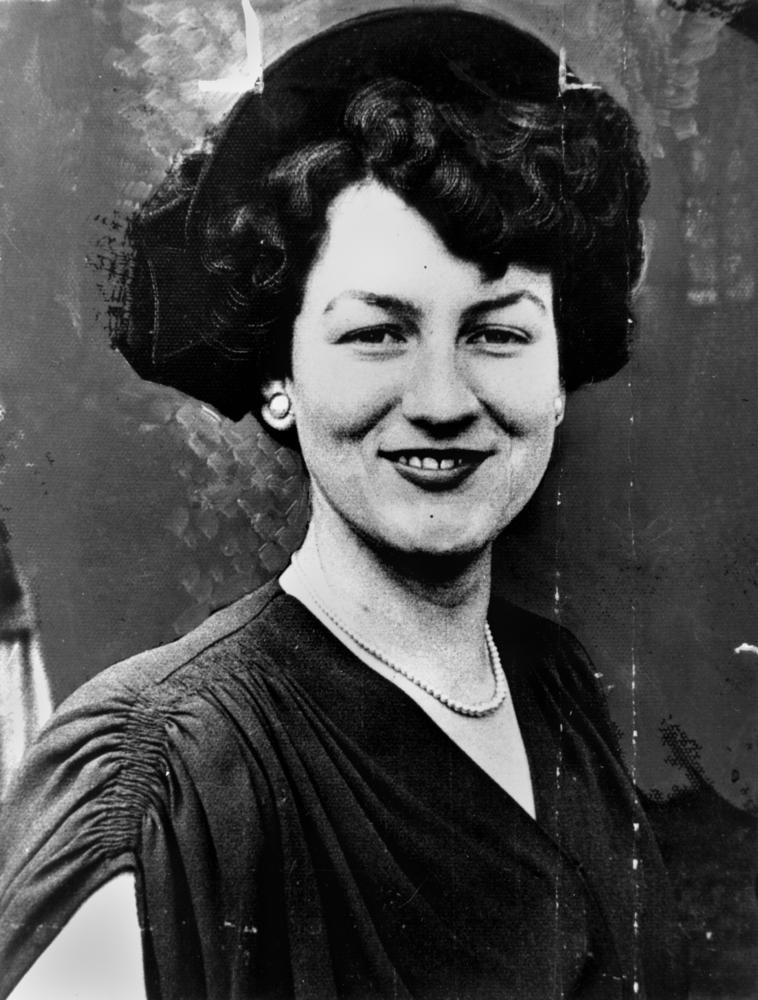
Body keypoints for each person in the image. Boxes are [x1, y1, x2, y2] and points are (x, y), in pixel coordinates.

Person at [0, 8, 687, 999]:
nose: (442, 400)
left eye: (496, 333)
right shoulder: (163, 780)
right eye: (376, 333)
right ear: (278, 374)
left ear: (558, 373)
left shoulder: (555, 685)